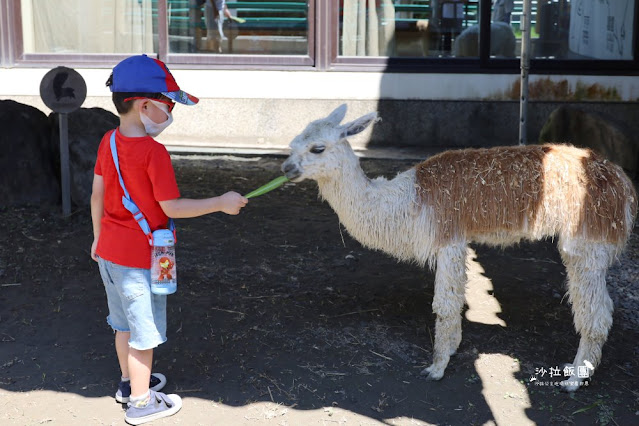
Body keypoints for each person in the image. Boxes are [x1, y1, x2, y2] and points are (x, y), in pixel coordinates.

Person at [90, 54, 248, 425]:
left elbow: (97, 194)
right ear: (143, 105)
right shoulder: (154, 153)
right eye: (168, 104)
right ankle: (142, 404)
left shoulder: (108, 141)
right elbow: (172, 207)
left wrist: (97, 239)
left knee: (122, 324)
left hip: (109, 254)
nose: (172, 112)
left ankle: (129, 385)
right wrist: (221, 203)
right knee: (143, 334)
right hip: (138, 259)